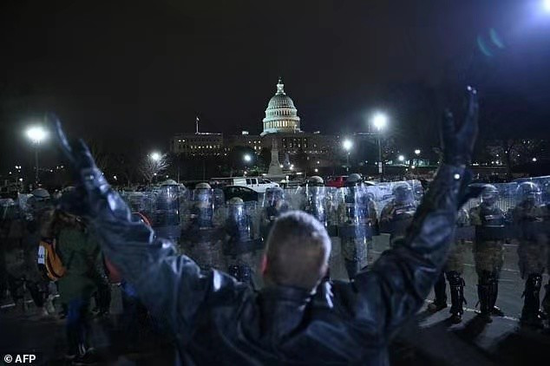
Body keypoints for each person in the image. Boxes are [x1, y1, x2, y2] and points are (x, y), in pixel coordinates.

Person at [52, 86, 478, 365]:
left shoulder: (217, 316)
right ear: (326, 270)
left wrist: (101, 199)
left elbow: (149, 260)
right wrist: (453, 171)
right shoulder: (363, 314)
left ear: (263, 266)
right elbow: (418, 257)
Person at [45, 209, 103, 363]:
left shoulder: (62, 231)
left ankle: (79, 349)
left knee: (81, 316)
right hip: (75, 282)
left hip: (72, 282)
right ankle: (77, 352)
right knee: (77, 318)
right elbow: (89, 247)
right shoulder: (68, 233)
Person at [509, 181, 548, 328]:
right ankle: (529, 313)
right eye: (529, 194)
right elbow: (520, 226)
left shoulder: (539, 209)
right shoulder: (520, 210)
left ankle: (533, 310)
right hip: (528, 249)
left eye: (534, 194)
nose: (532, 197)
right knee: (534, 281)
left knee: (536, 281)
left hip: (540, 249)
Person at [469, 184, 506, 323]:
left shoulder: (500, 210)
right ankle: (484, 309)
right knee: (486, 279)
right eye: (487, 195)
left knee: (495, 279)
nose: (490, 198)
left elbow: (505, 228)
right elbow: (476, 229)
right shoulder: (476, 211)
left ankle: (491, 306)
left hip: (498, 249)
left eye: (492, 195)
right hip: (483, 250)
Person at [427, 208, 469, 323]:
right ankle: (440, 301)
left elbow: (465, 232)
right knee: (437, 278)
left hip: (453, 251)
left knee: (455, 280)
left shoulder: (459, 210)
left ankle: (457, 310)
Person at [337, 173, 372, 279]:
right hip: (350, 239)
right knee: (351, 265)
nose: (353, 188)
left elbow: (373, 218)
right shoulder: (344, 202)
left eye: (355, 185)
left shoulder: (367, 201)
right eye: (351, 186)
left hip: (364, 238)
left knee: (365, 265)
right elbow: (341, 219)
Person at [223, 197, 258, 284]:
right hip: (234, 252)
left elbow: (252, 234)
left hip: (244, 250)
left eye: (236, 207)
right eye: (233, 207)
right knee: (233, 274)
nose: (235, 210)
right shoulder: (228, 221)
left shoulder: (247, 219)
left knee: (246, 274)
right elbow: (226, 237)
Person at [379, 182, 417, 247]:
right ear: (396, 194)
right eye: (401, 193)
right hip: (398, 238)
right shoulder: (390, 207)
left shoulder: (414, 204)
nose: (404, 195)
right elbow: (383, 226)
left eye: (406, 193)